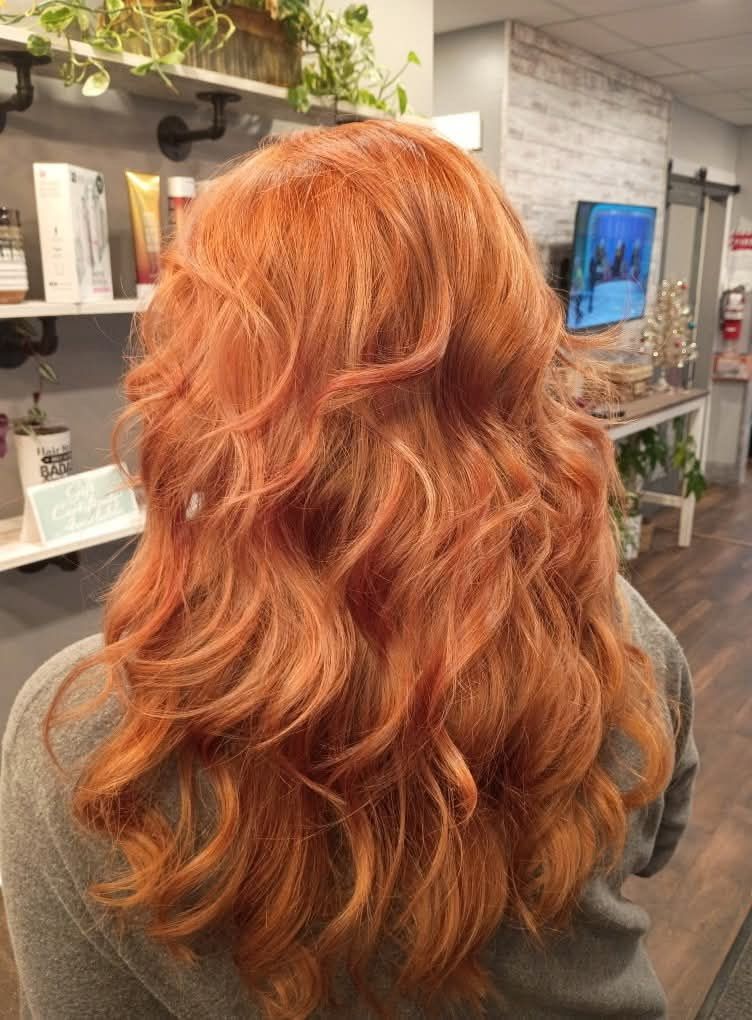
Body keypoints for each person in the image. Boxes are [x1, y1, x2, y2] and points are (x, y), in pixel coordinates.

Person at [1, 121, 696, 1020]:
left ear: (206, 386)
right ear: (516, 355)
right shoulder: (625, 636)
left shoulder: (86, 745)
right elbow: (658, 840)